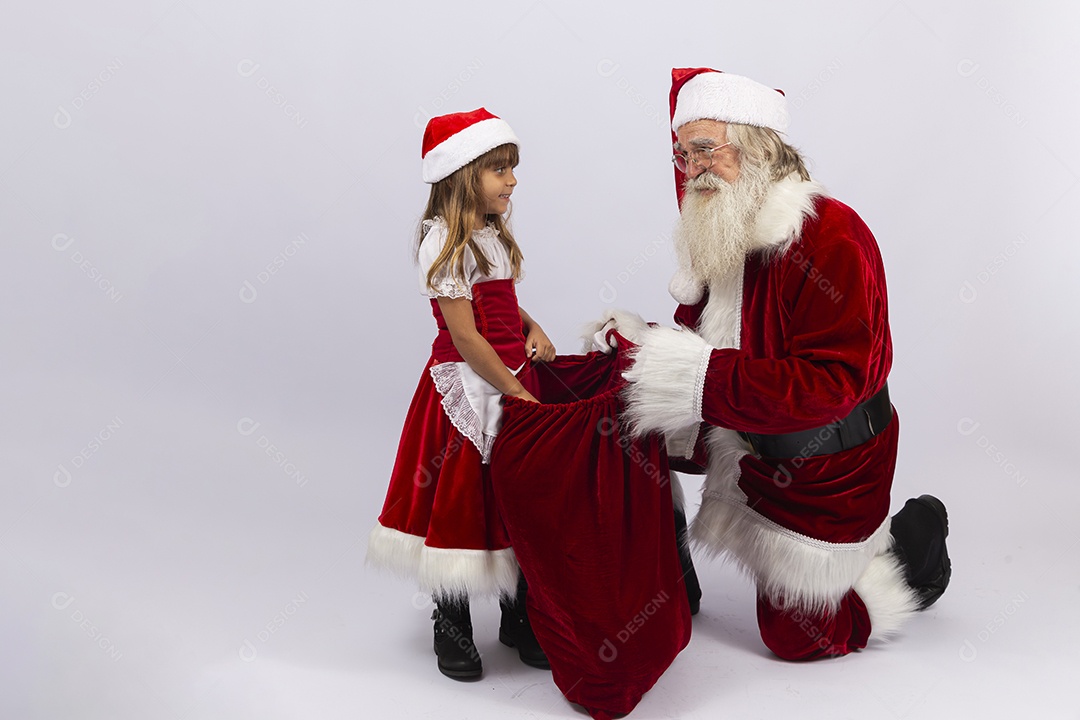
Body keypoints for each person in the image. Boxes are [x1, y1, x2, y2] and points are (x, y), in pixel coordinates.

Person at [615, 67, 951, 660]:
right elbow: (703, 346)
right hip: (741, 433)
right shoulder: (723, 229)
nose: (690, 169)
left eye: (702, 150)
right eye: (681, 154)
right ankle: (662, 578)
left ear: (757, 145)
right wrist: (641, 353)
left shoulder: (831, 237)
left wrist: (689, 378)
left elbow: (833, 386)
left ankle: (911, 544)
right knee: (614, 415)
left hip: (824, 466)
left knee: (798, 639)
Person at [366, 108, 555, 679]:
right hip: (471, 386)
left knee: (515, 496)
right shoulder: (442, 240)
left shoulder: (491, 234)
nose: (512, 181)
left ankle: (517, 616)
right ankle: (451, 626)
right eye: (499, 169)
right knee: (462, 501)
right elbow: (465, 333)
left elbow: (496, 304)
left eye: (511, 169)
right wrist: (514, 388)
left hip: (512, 372)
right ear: (462, 174)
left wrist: (531, 326)